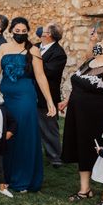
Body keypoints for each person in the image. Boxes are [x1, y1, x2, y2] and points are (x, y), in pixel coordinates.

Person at [0, 17, 56, 193]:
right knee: (4, 132)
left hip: (25, 97)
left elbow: (40, 77)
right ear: (11, 31)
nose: (21, 34)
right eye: (18, 31)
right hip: (6, 96)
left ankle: (22, 178)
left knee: (22, 134)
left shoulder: (34, 50)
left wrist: (49, 101)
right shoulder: (3, 48)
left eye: (24, 32)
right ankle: (4, 175)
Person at [60, 33, 103, 205]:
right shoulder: (89, 62)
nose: (98, 45)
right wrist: (68, 100)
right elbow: (79, 85)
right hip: (78, 116)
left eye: (101, 44)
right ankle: (85, 189)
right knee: (81, 149)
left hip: (99, 118)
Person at [34, 23, 67, 167]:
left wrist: (32, 62)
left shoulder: (58, 53)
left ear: (49, 35)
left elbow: (48, 72)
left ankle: (55, 156)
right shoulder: (35, 46)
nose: (40, 31)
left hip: (47, 96)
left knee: (49, 128)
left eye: (44, 30)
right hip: (30, 92)